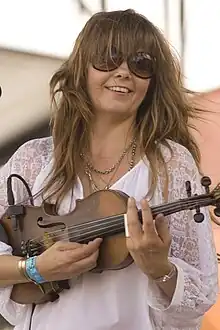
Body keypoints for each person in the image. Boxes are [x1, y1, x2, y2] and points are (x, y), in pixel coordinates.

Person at [0, 8, 218, 330]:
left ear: (152, 81)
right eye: (108, 58)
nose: (124, 72)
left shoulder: (171, 163)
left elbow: (199, 297)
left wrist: (159, 267)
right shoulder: (33, 160)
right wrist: (33, 268)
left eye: (140, 63)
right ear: (82, 68)